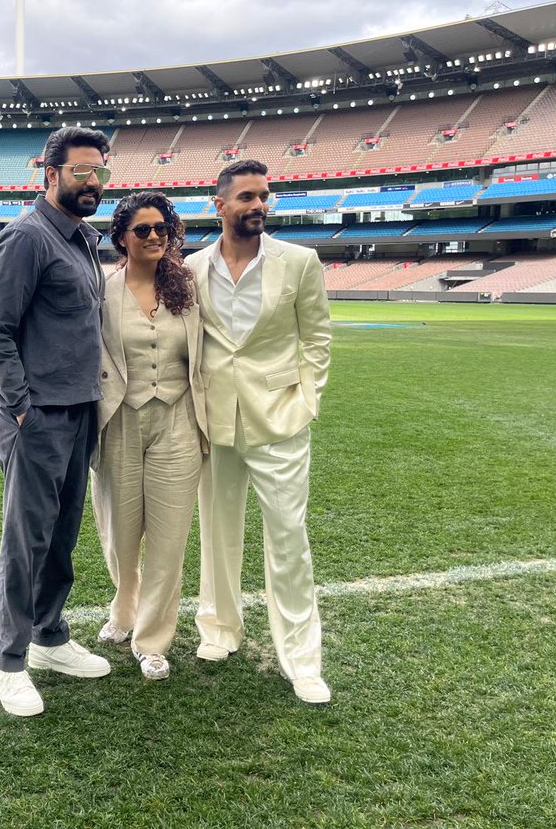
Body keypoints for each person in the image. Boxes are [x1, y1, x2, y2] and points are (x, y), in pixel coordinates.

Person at [184, 158, 333, 704]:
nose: (259, 206)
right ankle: (219, 629)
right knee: (217, 531)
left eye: (264, 196)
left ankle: (301, 659)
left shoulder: (300, 261)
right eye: (246, 197)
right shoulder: (192, 266)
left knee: (289, 540)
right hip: (215, 417)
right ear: (218, 204)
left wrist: (307, 400)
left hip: (280, 420)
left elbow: (317, 338)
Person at [0, 126, 113, 717]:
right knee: (25, 539)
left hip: (81, 406)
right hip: (36, 416)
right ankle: (8, 661)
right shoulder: (27, 237)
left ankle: (49, 636)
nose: (93, 182)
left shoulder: (83, 237)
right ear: (50, 174)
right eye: (81, 171)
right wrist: (22, 404)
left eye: (100, 172)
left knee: (61, 534)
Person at [90, 191, 207, 681]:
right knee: (119, 534)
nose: (156, 235)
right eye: (143, 229)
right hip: (118, 419)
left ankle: (152, 639)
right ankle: (124, 609)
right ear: (122, 238)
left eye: (163, 227)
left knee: (168, 538)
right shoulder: (101, 288)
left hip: (178, 421)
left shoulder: (190, 288)